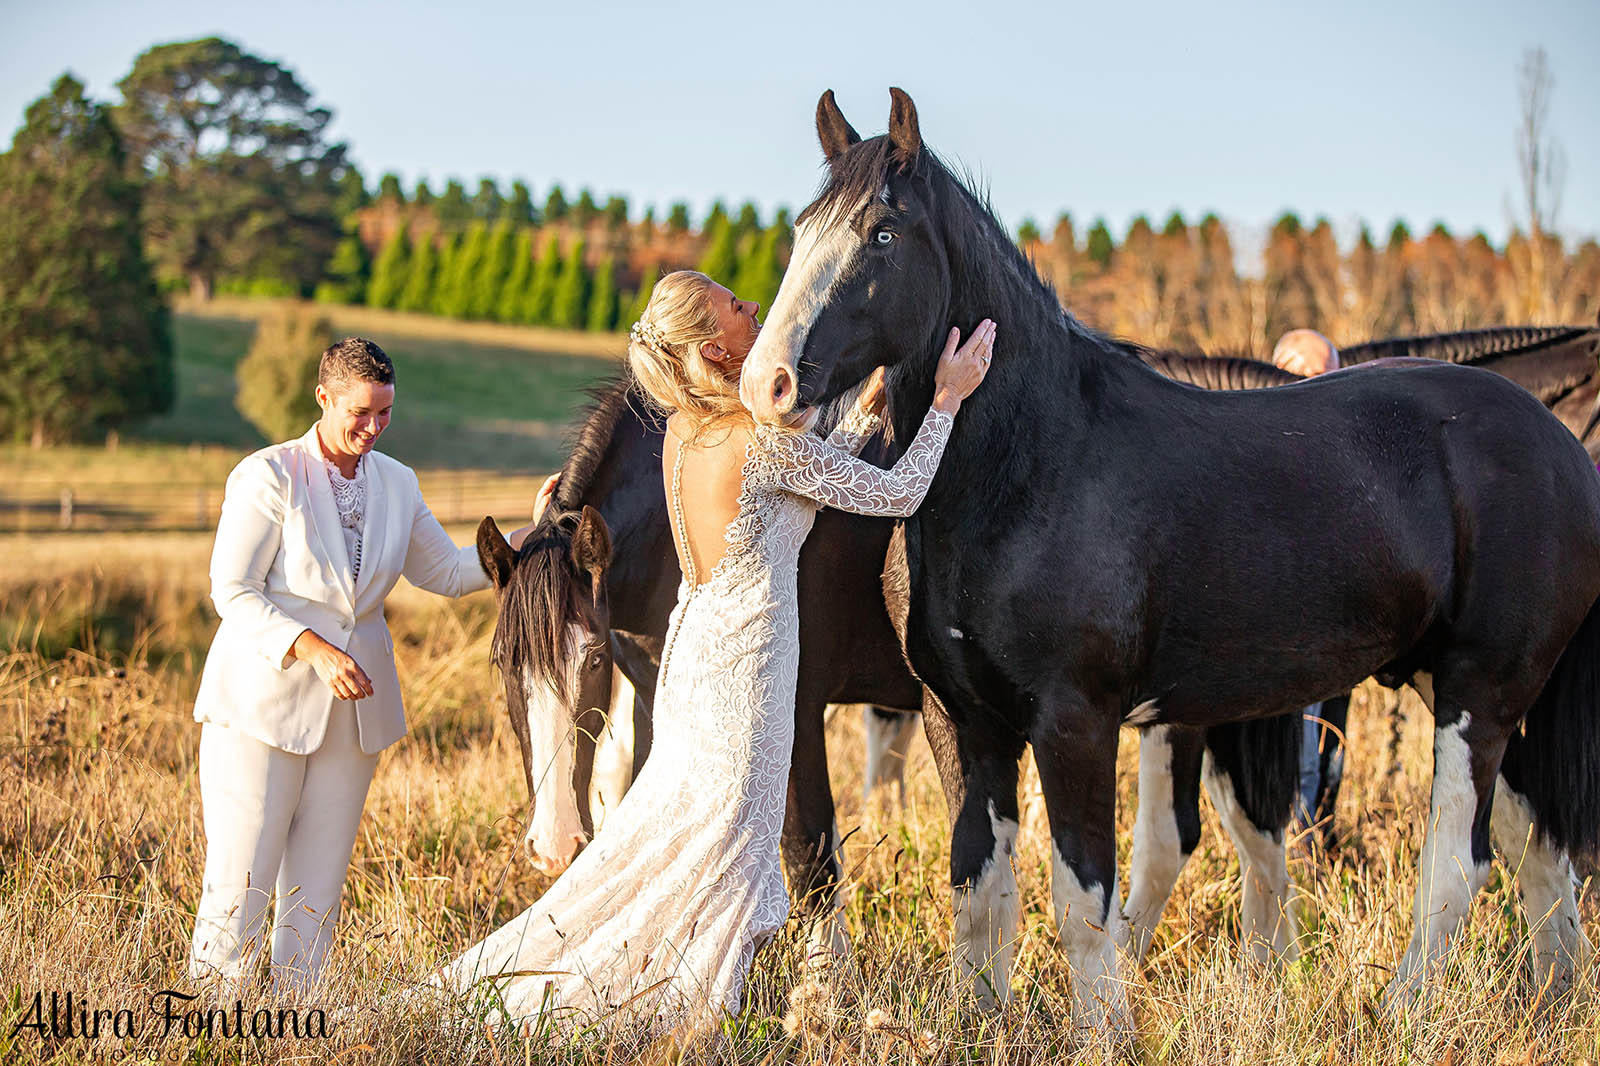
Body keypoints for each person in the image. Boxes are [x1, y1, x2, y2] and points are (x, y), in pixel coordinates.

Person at [437, 271, 995, 1037]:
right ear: (712, 347)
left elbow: (792, 489)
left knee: (679, 836)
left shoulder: (682, 433)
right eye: (737, 307)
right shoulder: (755, 441)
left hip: (696, 654)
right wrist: (944, 402)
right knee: (728, 846)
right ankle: (689, 1012)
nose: (755, 309)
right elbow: (895, 494)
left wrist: (859, 420)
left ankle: (678, 995)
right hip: (750, 670)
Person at [187, 337, 549, 992]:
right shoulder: (267, 475)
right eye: (360, 413)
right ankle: (213, 1027)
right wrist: (312, 648)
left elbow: (444, 570)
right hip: (259, 709)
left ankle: (296, 1027)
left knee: (317, 895)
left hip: (355, 722)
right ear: (322, 398)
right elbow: (231, 591)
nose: (374, 427)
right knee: (239, 887)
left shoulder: (397, 481)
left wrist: (533, 531)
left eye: (385, 412)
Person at [1271, 327, 1346, 842]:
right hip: (1266, 643)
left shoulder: (1342, 456)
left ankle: (1306, 856)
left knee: (1313, 756)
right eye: (1305, 375)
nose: (1318, 389)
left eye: (1328, 378)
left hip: (1326, 644)